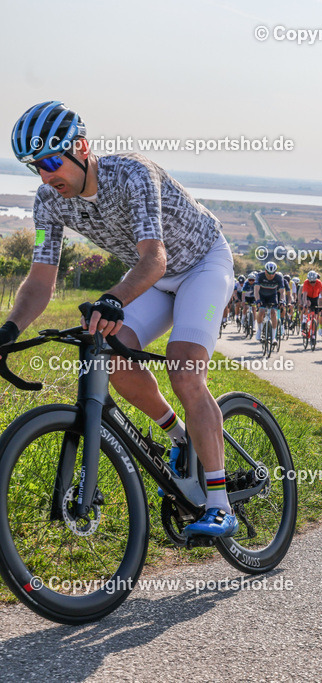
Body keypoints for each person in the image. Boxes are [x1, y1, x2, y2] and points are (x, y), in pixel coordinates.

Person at [1, 101, 237, 536]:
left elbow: (155, 258)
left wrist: (112, 297)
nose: (47, 175)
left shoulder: (132, 174)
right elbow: (39, 279)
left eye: (53, 161)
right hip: (153, 278)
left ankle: (221, 506)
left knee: (185, 370)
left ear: (82, 148)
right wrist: (9, 331)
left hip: (201, 264)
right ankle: (181, 437)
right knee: (112, 356)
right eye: (36, 167)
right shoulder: (49, 203)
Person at [254, 261, 285, 344]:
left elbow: (282, 292)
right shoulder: (260, 276)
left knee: (273, 313)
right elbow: (256, 290)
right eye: (269, 273)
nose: (271, 275)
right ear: (265, 271)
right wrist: (257, 300)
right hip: (262, 295)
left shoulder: (279, 277)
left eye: (273, 273)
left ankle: (273, 338)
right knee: (261, 311)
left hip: (272, 296)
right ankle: (259, 331)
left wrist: (282, 300)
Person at [299, 270, 322, 339]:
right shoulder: (306, 282)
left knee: (316, 316)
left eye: (314, 282)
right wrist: (305, 303)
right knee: (307, 303)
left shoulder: (319, 282)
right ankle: (304, 321)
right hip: (308, 297)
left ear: (316, 280)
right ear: (308, 280)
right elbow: (304, 295)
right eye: (311, 282)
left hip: (315, 297)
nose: (312, 283)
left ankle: (313, 332)